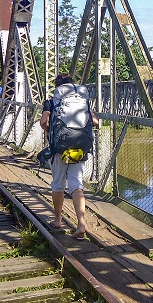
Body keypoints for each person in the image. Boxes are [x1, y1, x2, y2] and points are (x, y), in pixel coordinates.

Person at [40, 74, 98, 240]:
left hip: (60, 147)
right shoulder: (82, 100)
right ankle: (81, 224)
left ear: (57, 87)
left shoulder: (51, 101)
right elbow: (95, 121)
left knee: (58, 184)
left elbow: (44, 122)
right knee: (76, 185)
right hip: (79, 147)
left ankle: (58, 220)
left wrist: (50, 131)